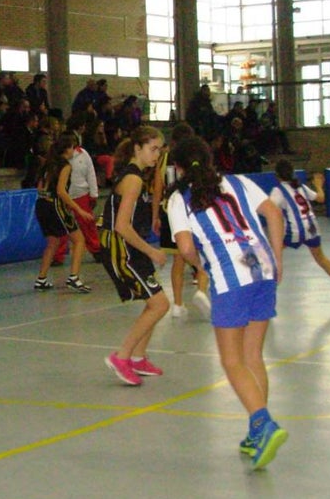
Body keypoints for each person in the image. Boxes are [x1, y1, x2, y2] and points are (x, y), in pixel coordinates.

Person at [165, 134, 287, 470]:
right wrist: (277, 260)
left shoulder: (179, 199)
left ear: (177, 167)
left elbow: (186, 248)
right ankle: (255, 427)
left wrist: (202, 266)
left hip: (231, 276)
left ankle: (263, 423)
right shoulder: (238, 181)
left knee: (232, 361)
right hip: (260, 265)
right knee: (253, 355)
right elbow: (274, 215)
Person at [97, 126, 168, 387]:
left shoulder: (138, 175)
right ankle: (122, 356)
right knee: (160, 304)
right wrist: (152, 250)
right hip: (120, 247)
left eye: (160, 150)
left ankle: (138, 358)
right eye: (153, 149)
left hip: (130, 246)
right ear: (137, 148)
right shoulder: (134, 179)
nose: (157, 155)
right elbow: (121, 226)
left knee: (154, 302)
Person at [269, 159, 330, 302]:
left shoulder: (278, 191)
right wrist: (318, 185)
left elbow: (269, 209)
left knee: (271, 256)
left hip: (295, 230)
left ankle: (268, 297)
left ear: (277, 176)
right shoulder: (301, 187)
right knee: (321, 258)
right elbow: (321, 198)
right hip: (312, 227)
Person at [151, 123, 210, 319]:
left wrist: (155, 216)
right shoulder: (196, 159)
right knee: (204, 255)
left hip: (170, 211)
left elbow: (157, 189)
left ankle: (177, 304)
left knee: (178, 259)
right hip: (193, 208)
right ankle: (201, 291)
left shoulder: (162, 159)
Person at [33, 133, 93, 294]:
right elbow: (61, 191)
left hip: (41, 204)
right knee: (79, 240)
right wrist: (78, 209)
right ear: (67, 149)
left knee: (52, 242)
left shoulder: (48, 164)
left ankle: (41, 279)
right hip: (55, 205)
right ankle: (74, 277)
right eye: (73, 147)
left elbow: (40, 187)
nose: (74, 150)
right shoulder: (65, 166)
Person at [53, 113, 100, 264]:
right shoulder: (58, 160)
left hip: (81, 195)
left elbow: (91, 173)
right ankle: (58, 256)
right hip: (63, 197)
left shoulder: (83, 154)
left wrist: (94, 193)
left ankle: (96, 250)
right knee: (61, 227)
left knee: (88, 225)